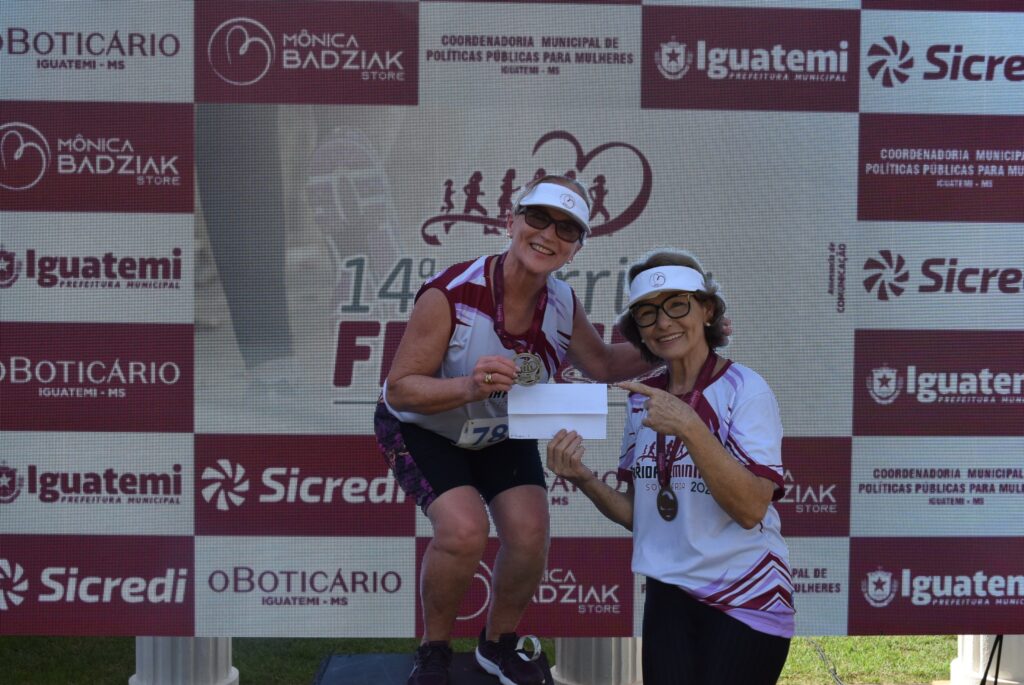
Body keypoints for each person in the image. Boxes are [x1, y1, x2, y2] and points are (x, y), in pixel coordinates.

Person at [374, 174, 656, 685]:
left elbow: (606, 365)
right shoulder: (451, 294)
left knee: (529, 534)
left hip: (501, 428)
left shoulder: (564, 303)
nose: (549, 234)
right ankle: (434, 651)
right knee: (463, 531)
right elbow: (399, 389)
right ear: (511, 222)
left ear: (574, 250)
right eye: (538, 218)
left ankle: (498, 645)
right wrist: (467, 386)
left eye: (567, 230)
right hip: (425, 426)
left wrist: (675, 338)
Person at [546, 249, 793, 685]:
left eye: (677, 304)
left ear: (707, 310)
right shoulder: (641, 397)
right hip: (668, 591)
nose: (663, 323)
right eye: (647, 313)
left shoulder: (745, 390)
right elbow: (639, 516)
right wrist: (581, 477)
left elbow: (752, 508)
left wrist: (691, 428)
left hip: (745, 596)